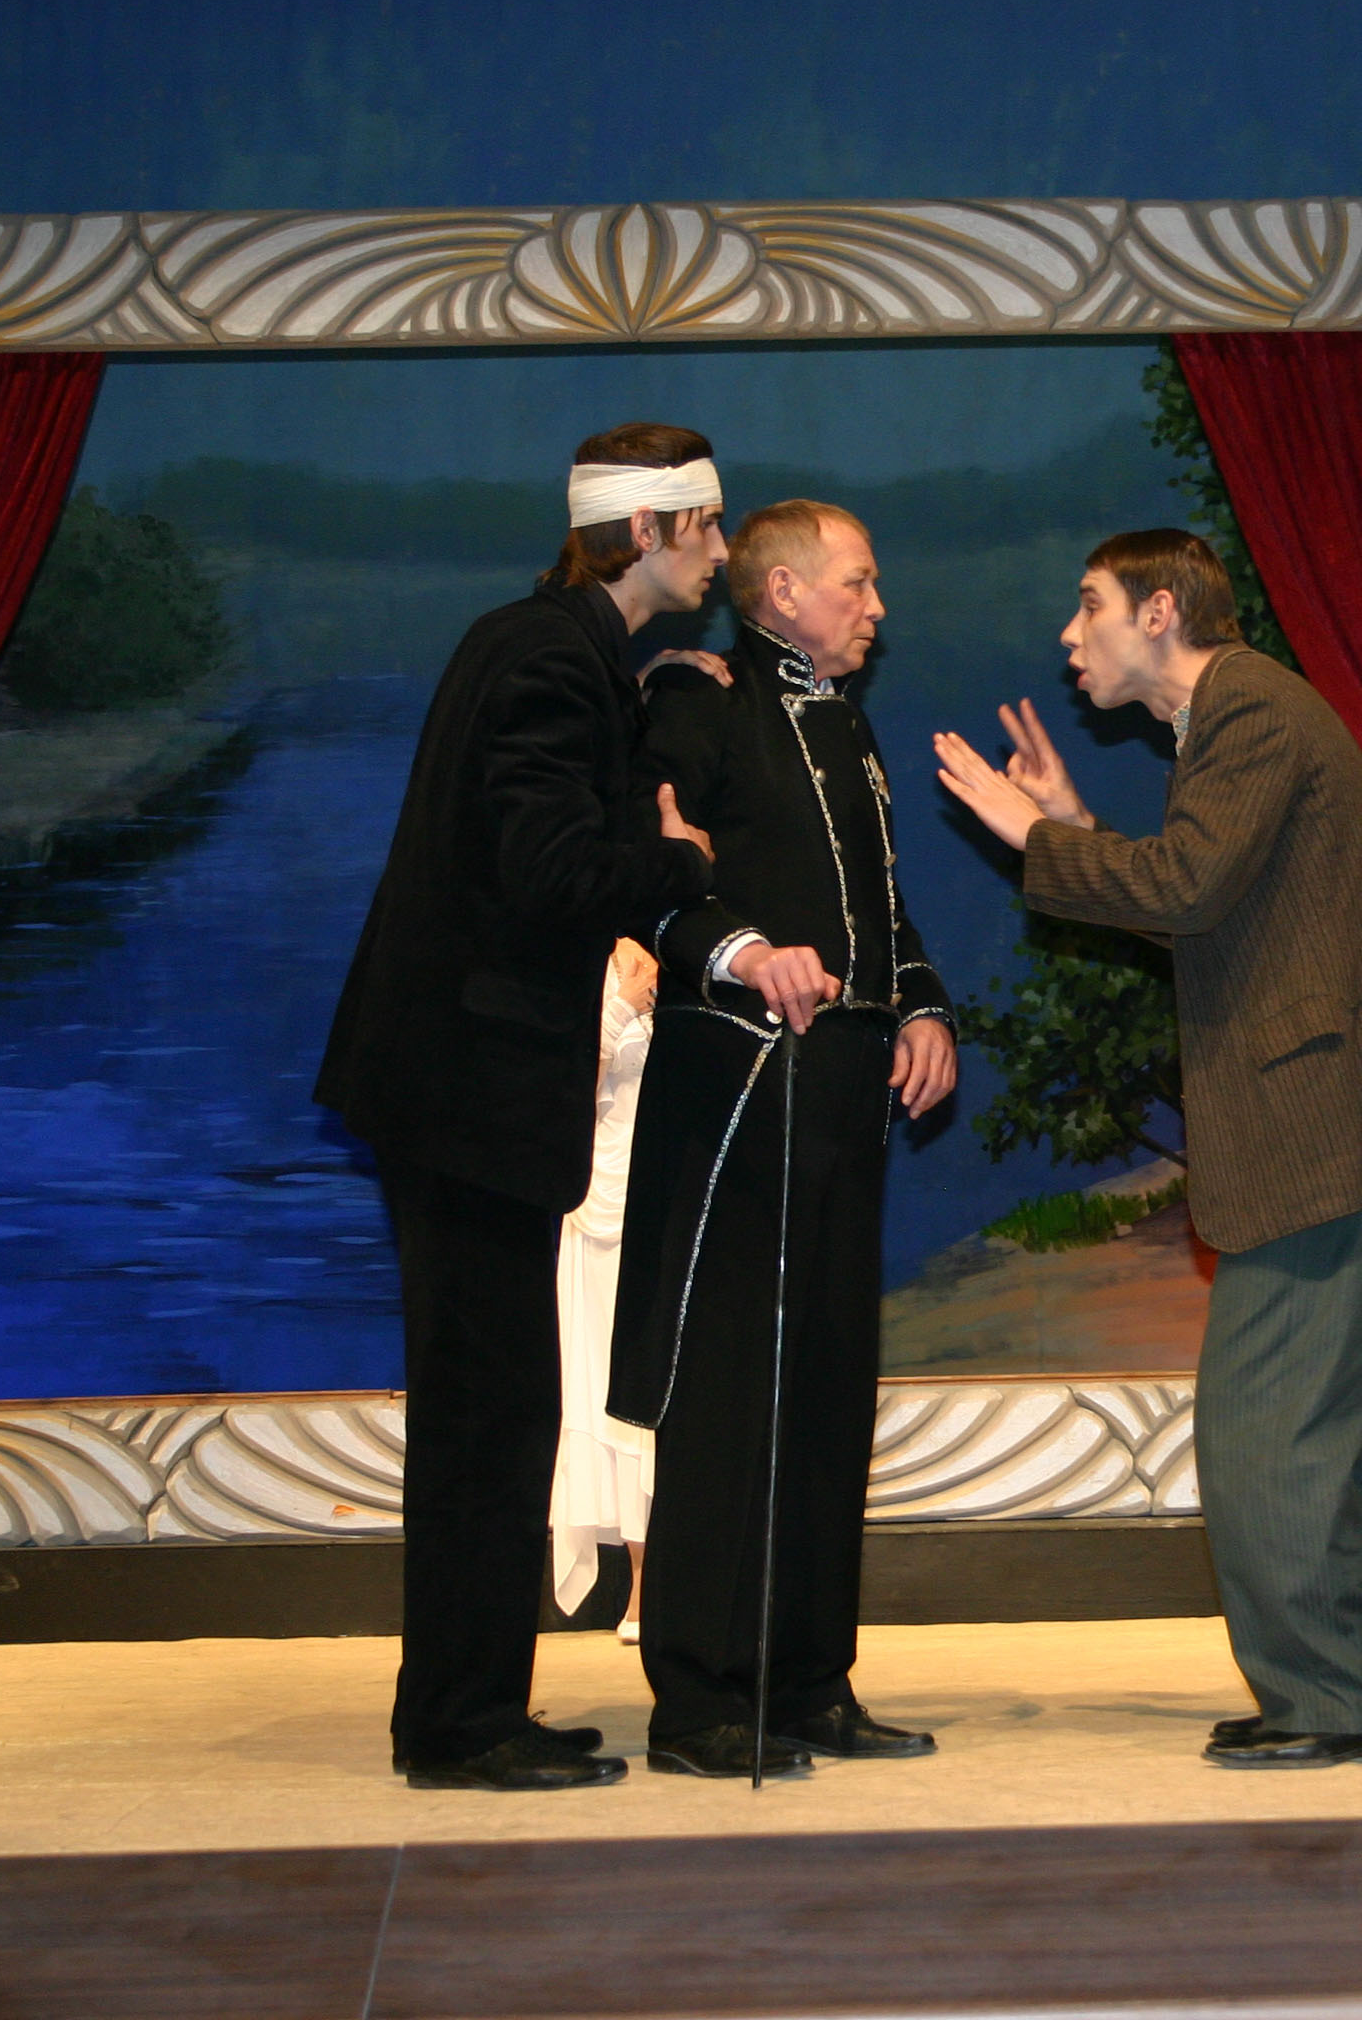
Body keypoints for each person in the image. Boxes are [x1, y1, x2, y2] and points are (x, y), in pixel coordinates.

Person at [931, 530, 1362, 1769]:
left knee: (1270, 1430)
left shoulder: (1252, 713)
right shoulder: (1229, 719)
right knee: (1282, 1425)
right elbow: (1215, 912)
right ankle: (1345, 1685)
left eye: (1089, 606)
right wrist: (1076, 823)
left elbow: (1186, 887)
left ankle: (1343, 1694)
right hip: (1325, 1116)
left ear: (1160, 610)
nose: (1069, 636)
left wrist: (1035, 835)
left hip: (1326, 1119)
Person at [316, 423, 728, 1792]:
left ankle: (472, 1702)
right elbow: (551, 868)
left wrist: (648, 697)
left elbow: (541, 808)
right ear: (650, 531)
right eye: (708, 527)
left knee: (493, 1408)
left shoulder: (545, 645)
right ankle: (459, 1722)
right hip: (468, 1086)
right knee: (486, 1417)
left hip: (452, 1081)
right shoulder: (552, 660)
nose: (722, 553)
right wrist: (674, 862)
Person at [610, 498, 959, 1780]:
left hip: (844, 1089)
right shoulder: (697, 702)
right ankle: (699, 1695)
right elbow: (649, 877)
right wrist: (746, 949)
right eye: (857, 583)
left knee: (825, 1387)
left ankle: (810, 1679)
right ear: (782, 593)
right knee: (729, 1390)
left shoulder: (845, 723)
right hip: (742, 1090)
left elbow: (880, 906)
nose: (877, 607)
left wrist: (921, 1004)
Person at [548, 937, 662, 1640]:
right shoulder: (599, 957)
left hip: (676, 1194)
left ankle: (687, 1575)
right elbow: (557, 1097)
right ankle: (642, 1582)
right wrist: (617, 1012)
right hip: (600, 1204)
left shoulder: (698, 947)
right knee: (610, 1387)